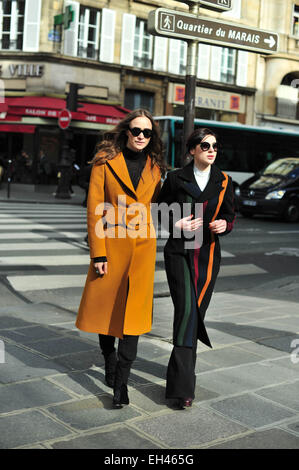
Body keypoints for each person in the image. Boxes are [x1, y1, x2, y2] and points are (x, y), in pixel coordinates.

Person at [75, 109, 165, 409]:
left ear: (152, 137)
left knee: (133, 318)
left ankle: (121, 384)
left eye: (147, 132)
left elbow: (160, 206)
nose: (141, 136)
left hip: (141, 251)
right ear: (126, 131)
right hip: (111, 247)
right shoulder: (105, 162)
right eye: (136, 130)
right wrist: (98, 252)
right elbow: (95, 208)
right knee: (107, 310)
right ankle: (109, 360)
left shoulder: (155, 168)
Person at [157, 128, 235, 409]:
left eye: (215, 145)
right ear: (192, 150)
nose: (211, 150)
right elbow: (157, 210)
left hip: (208, 257)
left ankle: (182, 376)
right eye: (205, 146)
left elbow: (229, 215)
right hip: (179, 254)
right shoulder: (176, 178)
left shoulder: (224, 181)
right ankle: (182, 389)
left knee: (193, 315)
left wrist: (224, 225)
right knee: (188, 312)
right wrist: (175, 224)